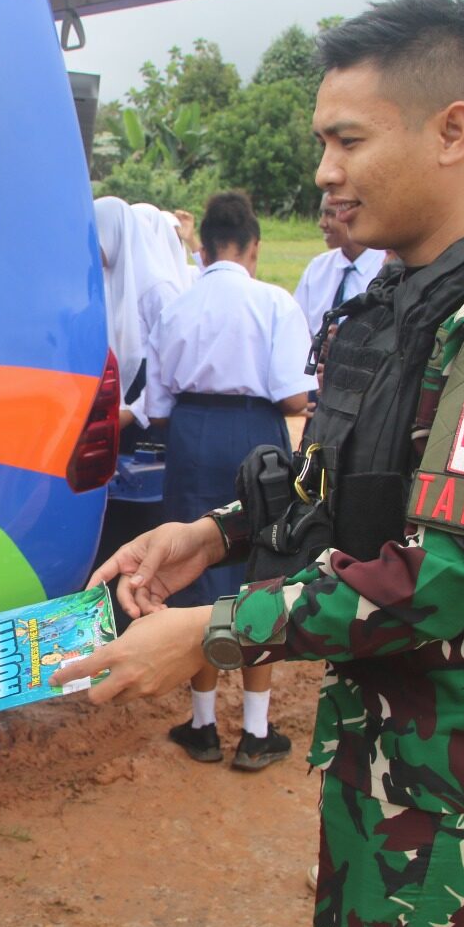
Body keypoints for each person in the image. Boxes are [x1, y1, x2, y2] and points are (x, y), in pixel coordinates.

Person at [58, 0, 464, 927]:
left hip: (458, 752)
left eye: (347, 139)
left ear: (453, 130)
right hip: (392, 729)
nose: (324, 170)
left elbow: (446, 575)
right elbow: (344, 487)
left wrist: (215, 632)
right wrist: (211, 532)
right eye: (322, 140)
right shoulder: (408, 301)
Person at [143, 192, 312, 769]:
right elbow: (293, 394)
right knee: (260, 573)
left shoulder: (177, 308)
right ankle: (257, 732)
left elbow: (157, 406)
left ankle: (204, 724)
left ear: (204, 245)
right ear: (254, 246)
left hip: (190, 436)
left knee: (197, 576)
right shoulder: (275, 303)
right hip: (254, 439)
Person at [93, 196, 181, 428]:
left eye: (95, 239)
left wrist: (133, 413)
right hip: (117, 408)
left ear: (114, 233)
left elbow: (172, 363)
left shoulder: (158, 289)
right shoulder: (107, 282)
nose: (90, 249)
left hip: (148, 413)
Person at [293, 191, 385, 341]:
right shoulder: (318, 268)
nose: (322, 223)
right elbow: (297, 329)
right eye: (321, 214)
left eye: (330, 214)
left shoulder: (385, 269)